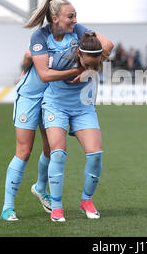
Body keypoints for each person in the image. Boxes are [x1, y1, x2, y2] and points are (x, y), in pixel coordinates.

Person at [1, 0, 112, 221]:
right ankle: (8, 206)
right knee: (24, 151)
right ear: (55, 18)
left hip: (52, 98)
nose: (75, 20)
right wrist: (78, 70)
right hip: (31, 96)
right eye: (70, 16)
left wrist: (89, 68)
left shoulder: (77, 30)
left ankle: (41, 188)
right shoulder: (40, 36)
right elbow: (43, 75)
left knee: (51, 151)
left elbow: (107, 45)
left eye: (75, 16)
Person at [42, 32, 113, 222]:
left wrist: (89, 34)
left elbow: (110, 44)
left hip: (83, 108)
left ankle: (86, 200)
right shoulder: (60, 58)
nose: (90, 68)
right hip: (56, 106)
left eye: (94, 65)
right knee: (57, 153)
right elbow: (42, 72)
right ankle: (57, 206)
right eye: (86, 64)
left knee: (96, 154)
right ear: (79, 55)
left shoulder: (97, 55)